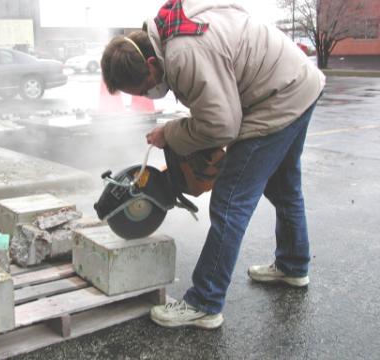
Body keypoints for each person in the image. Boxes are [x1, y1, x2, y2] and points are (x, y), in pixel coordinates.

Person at [101, 0, 325, 329]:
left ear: (151, 61)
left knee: (230, 202)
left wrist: (172, 133)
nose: (149, 93)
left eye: (144, 86)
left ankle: (205, 301)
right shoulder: (171, 24)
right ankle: (293, 265)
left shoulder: (182, 54)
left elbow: (222, 126)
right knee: (283, 187)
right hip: (298, 82)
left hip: (276, 99)